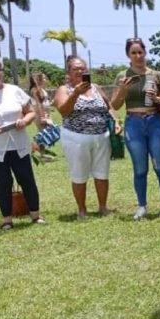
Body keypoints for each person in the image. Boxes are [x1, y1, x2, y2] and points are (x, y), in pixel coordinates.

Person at [111, 38, 160, 220]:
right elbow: (114, 105)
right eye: (134, 53)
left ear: (145, 53)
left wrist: (158, 99)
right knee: (140, 169)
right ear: (128, 55)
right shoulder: (122, 76)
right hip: (134, 123)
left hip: (155, 122)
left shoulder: (156, 75)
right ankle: (141, 206)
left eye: (140, 52)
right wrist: (123, 90)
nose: (138, 56)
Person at [54, 56, 120, 220]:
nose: (80, 71)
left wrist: (116, 120)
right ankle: (82, 210)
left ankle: (103, 207)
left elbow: (108, 105)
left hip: (101, 137)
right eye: (75, 68)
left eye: (83, 68)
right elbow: (63, 111)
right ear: (68, 72)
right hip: (76, 138)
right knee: (79, 175)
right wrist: (75, 94)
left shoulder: (96, 87)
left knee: (102, 174)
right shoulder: (64, 89)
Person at [0, 57, 45, 228]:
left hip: (19, 145)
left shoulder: (14, 90)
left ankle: (35, 215)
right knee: (2, 184)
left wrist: (25, 121)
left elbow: (30, 112)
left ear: (3, 71)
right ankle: (7, 220)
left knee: (27, 180)